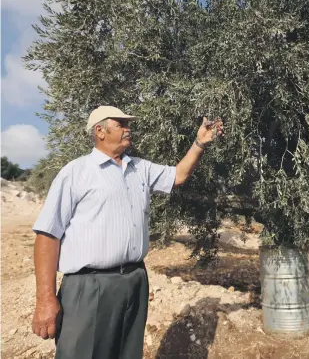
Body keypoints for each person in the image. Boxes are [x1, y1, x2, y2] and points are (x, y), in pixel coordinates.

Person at [31, 105, 224, 359]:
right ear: (100, 131)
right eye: (121, 124)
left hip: (134, 281)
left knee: (127, 353)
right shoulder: (76, 173)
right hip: (89, 287)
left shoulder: (139, 168)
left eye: (127, 124)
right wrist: (45, 300)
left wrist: (199, 143)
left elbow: (177, 176)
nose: (127, 128)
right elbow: (47, 235)